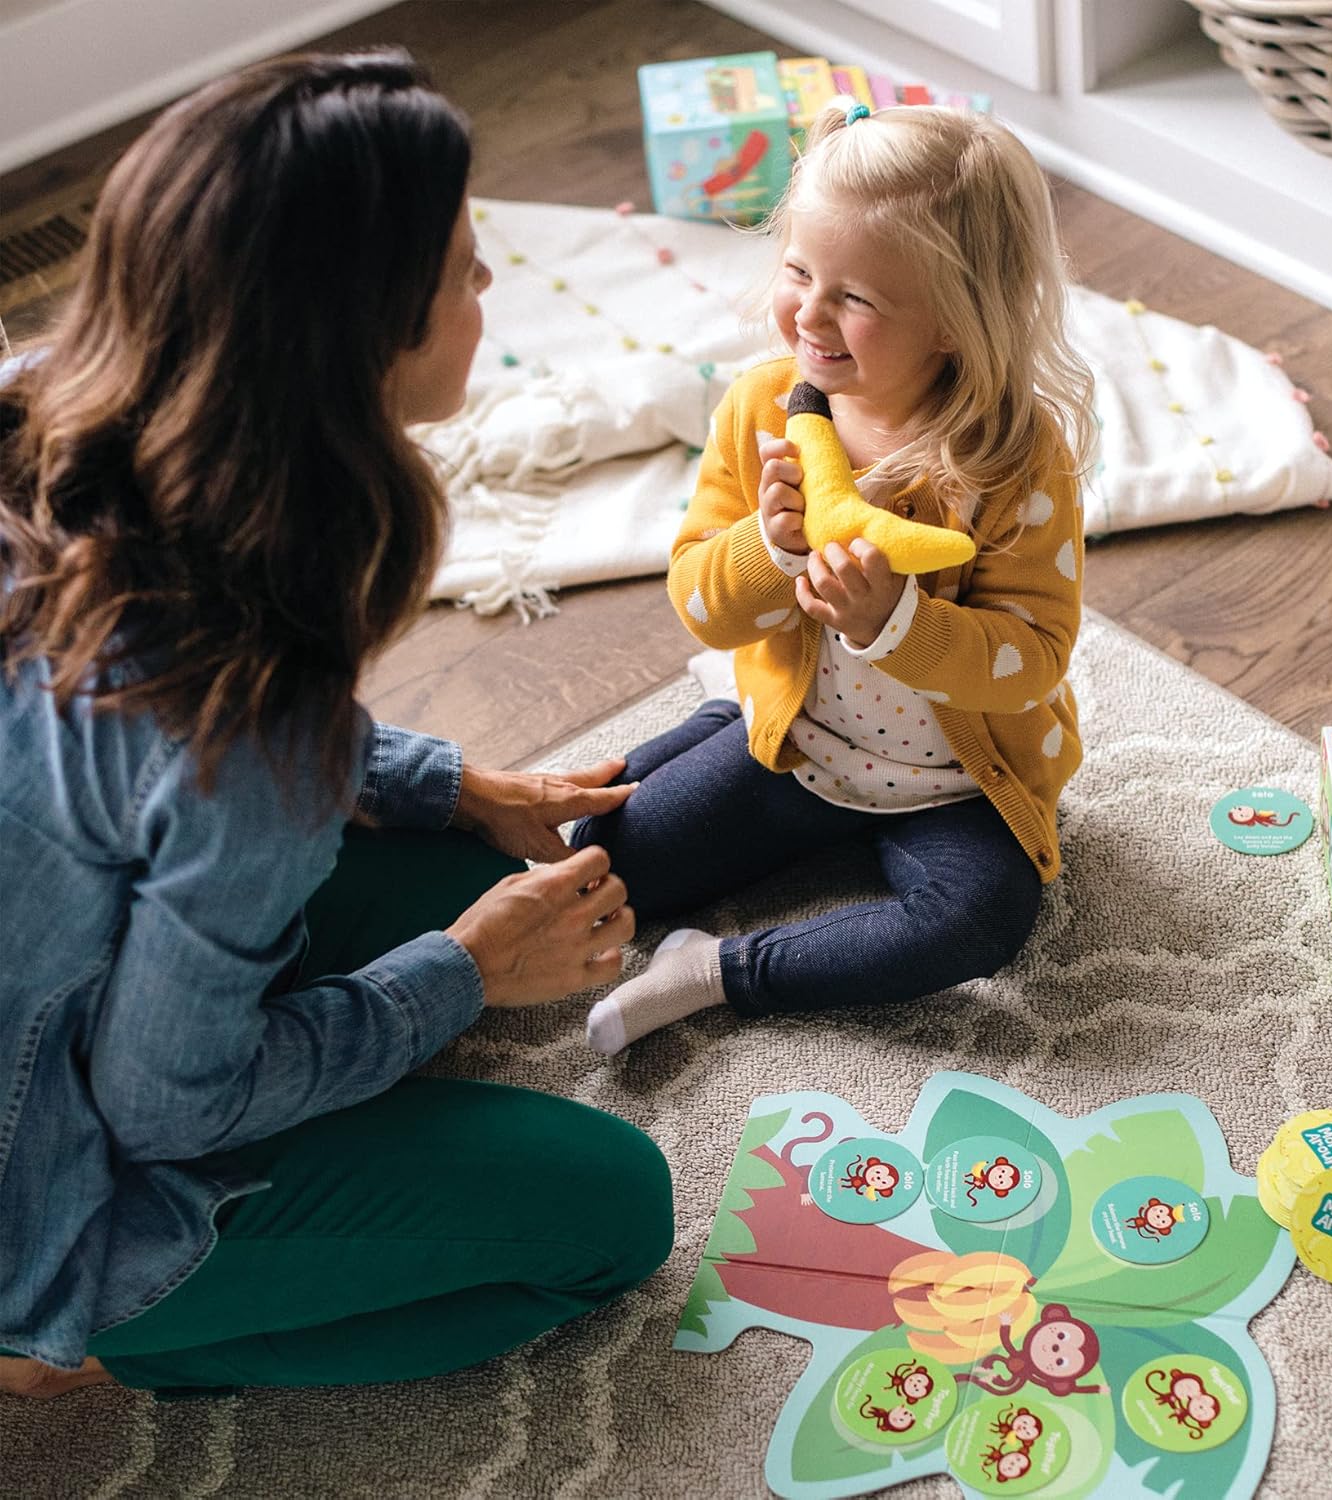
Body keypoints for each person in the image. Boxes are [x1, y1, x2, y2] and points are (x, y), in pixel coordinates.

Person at [0, 50, 671, 1399]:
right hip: (40, 1174)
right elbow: (164, 1104)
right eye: (465, 272)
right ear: (363, 339)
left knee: (469, 870)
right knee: (617, 1213)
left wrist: (441, 780)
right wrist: (461, 974)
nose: (491, 287)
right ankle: (75, 1339)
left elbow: (131, 761)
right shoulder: (245, 715)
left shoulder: (43, 401)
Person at [573, 101, 1093, 1054]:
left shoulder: (1014, 458)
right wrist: (770, 552)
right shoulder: (763, 408)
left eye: (855, 297)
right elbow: (700, 604)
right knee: (600, 869)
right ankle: (727, 712)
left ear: (955, 321)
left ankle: (718, 972)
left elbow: (1035, 660)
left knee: (985, 920)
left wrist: (898, 623)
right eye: (799, 272)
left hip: (953, 784)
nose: (809, 315)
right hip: (799, 744)